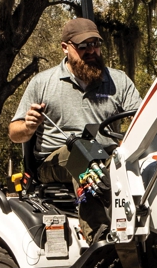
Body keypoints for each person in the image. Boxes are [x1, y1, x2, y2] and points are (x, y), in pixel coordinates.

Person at [9, 18, 142, 244]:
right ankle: (98, 237)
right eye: (83, 46)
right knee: (80, 153)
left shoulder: (118, 80)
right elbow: (15, 132)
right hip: (56, 160)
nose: (91, 50)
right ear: (65, 47)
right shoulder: (43, 83)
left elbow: (141, 117)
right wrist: (29, 125)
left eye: (95, 44)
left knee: (144, 159)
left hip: (106, 155)